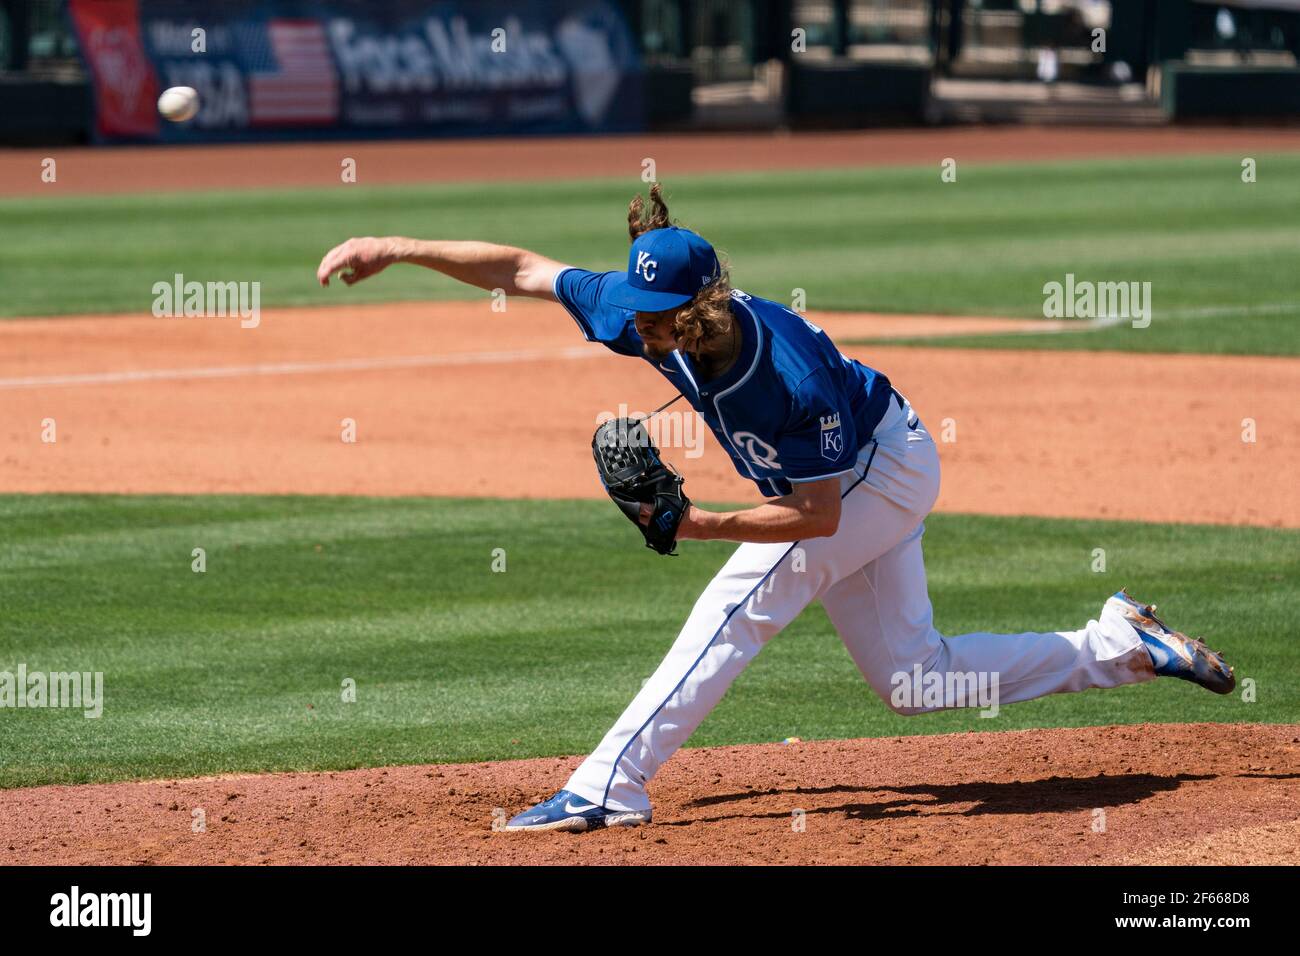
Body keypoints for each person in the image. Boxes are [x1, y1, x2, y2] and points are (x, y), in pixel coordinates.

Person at [316, 184, 1235, 833]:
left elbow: (818, 517)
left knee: (733, 605)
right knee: (914, 680)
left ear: (703, 305)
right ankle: (1120, 644)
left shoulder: (784, 376)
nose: (640, 325)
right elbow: (522, 268)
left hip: (880, 471)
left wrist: (694, 524)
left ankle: (607, 787)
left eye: (659, 314)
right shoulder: (647, 315)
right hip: (848, 480)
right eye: (637, 308)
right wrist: (395, 247)